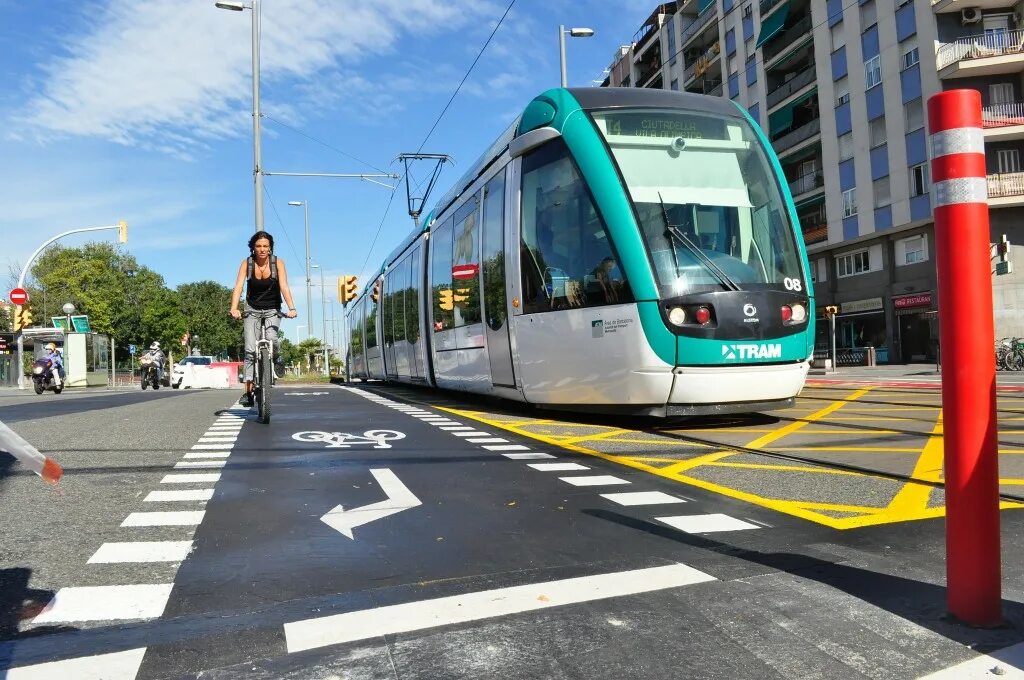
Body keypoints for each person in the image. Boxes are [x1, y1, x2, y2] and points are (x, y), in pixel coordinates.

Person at [229, 231, 298, 407]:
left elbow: (284, 286)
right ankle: (248, 392)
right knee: (250, 350)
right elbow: (238, 287)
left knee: (272, 337)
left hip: (272, 308)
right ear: (253, 247)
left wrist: (291, 308)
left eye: (265, 246)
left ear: (270, 247)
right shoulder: (247, 263)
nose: (262, 249)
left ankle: (276, 357)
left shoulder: (278, 263)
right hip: (251, 309)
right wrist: (234, 308)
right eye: (258, 246)